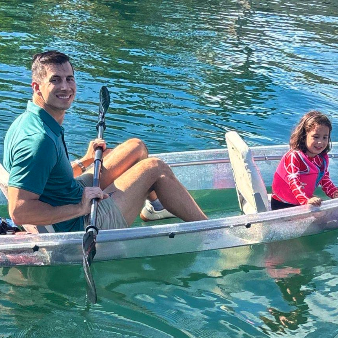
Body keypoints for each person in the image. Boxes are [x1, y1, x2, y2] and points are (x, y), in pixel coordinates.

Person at [2, 50, 207, 233]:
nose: (65, 87)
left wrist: (86, 160)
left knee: (135, 147)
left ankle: (156, 208)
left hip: (69, 195)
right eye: (55, 80)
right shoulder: (39, 141)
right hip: (78, 223)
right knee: (156, 169)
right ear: (37, 87)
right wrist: (80, 208)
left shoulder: (30, 121)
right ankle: (213, 232)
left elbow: (50, 178)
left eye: (69, 78)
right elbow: (20, 211)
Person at [271, 110, 338, 210]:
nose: (320, 142)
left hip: (303, 201)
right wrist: (306, 201)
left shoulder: (321, 158)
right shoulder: (294, 156)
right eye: (316, 137)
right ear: (304, 136)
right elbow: (293, 181)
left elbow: (324, 179)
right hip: (282, 204)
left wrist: (334, 193)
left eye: (325, 137)